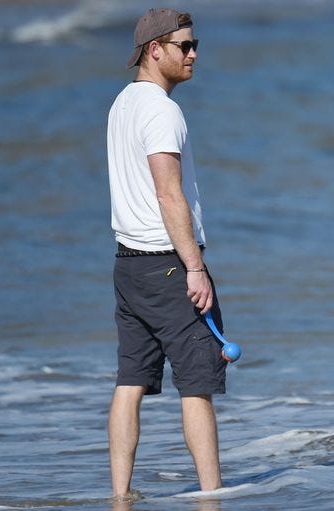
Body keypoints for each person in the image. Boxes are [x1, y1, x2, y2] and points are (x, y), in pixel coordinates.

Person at [106, 8, 226, 501]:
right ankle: (213, 494)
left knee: (130, 380)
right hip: (168, 264)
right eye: (185, 45)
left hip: (128, 265)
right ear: (156, 50)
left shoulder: (121, 104)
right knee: (197, 380)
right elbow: (169, 194)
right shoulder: (159, 109)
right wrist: (195, 268)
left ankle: (120, 494)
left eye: (196, 43)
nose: (194, 53)